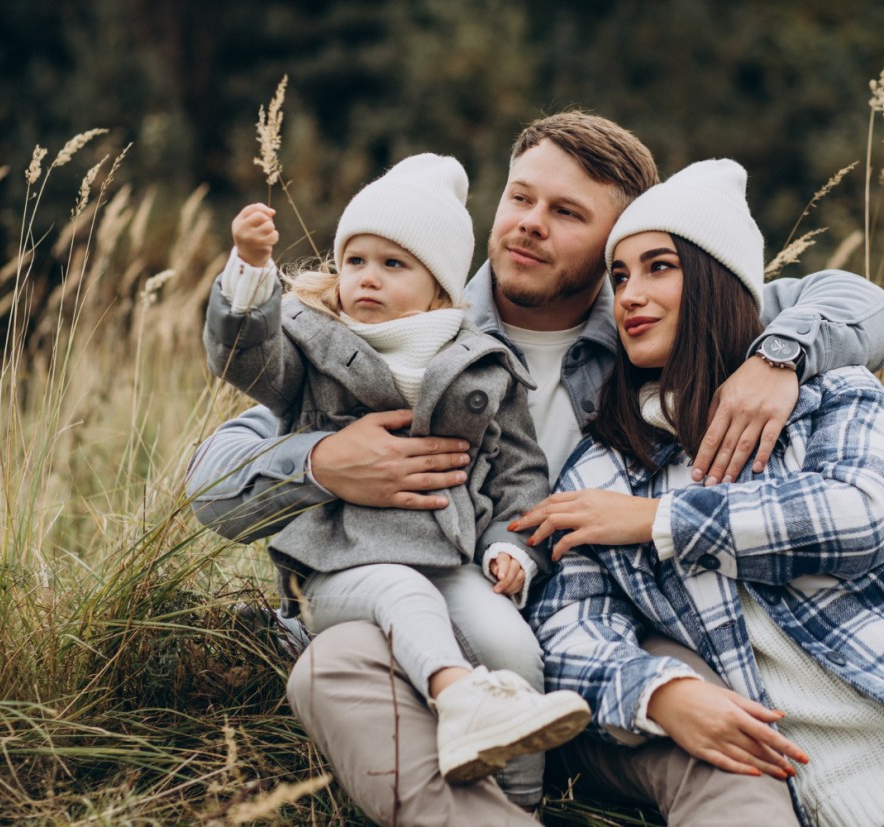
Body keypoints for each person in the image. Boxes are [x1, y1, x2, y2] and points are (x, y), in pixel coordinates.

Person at [187, 112, 884, 823]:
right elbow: (214, 482)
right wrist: (321, 463)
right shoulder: (407, 325)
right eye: (521, 198)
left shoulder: (650, 321)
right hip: (442, 627)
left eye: (567, 213)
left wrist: (778, 359)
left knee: (709, 716)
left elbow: (860, 303)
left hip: (610, 628)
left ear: (617, 241)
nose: (530, 223)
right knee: (335, 665)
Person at [518, 158, 884, 826]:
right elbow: (569, 629)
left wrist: (659, 520)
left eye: (658, 267)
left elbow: (862, 516)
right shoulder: (601, 471)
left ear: (716, 279)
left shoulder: (824, 390)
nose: (629, 296)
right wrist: (659, 693)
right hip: (844, 774)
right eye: (619, 277)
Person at [205, 153, 593, 795]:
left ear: (439, 286)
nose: (368, 278)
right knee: (404, 595)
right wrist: (249, 270)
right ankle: (459, 700)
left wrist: (512, 548)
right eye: (355, 260)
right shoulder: (310, 344)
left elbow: (518, 474)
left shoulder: (483, 364)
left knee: (512, 646)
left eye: (393, 265)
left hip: (450, 560)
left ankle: (523, 804)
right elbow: (245, 360)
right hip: (337, 566)